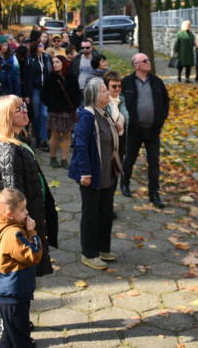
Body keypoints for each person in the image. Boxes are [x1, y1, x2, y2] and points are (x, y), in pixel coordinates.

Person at [0, 96, 56, 281]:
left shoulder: (19, 141)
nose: (25, 111)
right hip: (20, 223)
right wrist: (28, 231)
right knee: (20, 275)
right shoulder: (9, 150)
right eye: (18, 110)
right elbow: (14, 200)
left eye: (24, 107)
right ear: (6, 117)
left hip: (30, 208)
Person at [69, 78, 120, 270]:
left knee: (106, 212)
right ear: (95, 96)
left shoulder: (104, 111)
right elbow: (81, 146)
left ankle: (102, 248)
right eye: (105, 91)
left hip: (107, 173)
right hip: (92, 175)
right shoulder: (87, 115)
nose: (108, 93)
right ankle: (89, 253)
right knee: (91, 214)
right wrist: (85, 173)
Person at [0, 188, 44, 348]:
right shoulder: (14, 234)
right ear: (8, 215)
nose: (26, 213)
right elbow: (34, 255)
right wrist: (32, 232)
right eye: (22, 210)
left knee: (10, 334)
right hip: (15, 293)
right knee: (21, 338)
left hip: (7, 291)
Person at [120, 52, 170, 208]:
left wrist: (160, 120)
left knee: (154, 162)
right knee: (129, 159)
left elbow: (165, 102)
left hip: (153, 130)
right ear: (136, 65)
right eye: (145, 60)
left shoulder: (157, 82)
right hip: (134, 130)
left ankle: (154, 193)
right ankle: (125, 183)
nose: (149, 62)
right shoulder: (127, 82)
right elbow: (119, 102)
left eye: (148, 60)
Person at [41, 54, 79, 169]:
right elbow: (43, 94)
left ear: (63, 63)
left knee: (67, 135)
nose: (55, 64)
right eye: (54, 62)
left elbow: (77, 94)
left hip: (68, 111)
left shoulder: (71, 77)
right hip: (55, 111)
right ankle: (53, 157)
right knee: (55, 135)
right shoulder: (51, 77)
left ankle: (64, 159)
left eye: (57, 62)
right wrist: (51, 104)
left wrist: (73, 105)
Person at [104, 70, 128, 218]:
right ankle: (105, 206)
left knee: (115, 175)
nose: (117, 89)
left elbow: (126, 119)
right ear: (106, 87)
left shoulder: (122, 99)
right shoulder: (103, 102)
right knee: (107, 175)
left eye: (119, 86)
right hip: (107, 144)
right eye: (114, 86)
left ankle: (109, 204)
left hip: (120, 142)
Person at [21, 41, 50, 151]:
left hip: (46, 90)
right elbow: (27, 78)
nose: (43, 46)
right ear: (35, 47)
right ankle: (37, 137)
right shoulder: (30, 60)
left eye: (43, 45)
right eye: (40, 45)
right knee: (37, 115)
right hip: (35, 90)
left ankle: (44, 140)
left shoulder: (46, 58)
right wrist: (27, 94)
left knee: (45, 114)